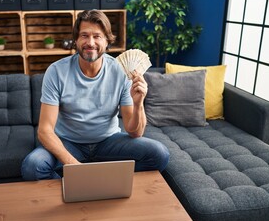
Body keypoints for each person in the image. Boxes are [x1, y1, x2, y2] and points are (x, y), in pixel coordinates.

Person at [21, 10, 169, 181]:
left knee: (159, 154)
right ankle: (80, 187)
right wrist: (75, 166)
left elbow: (135, 133)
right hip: (68, 143)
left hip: (109, 141)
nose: (90, 43)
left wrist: (138, 104)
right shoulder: (56, 71)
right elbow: (45, 131)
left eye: (97, 36)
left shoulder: (122, 71)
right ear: (76, 40)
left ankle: (104, 185)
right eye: (84, 35)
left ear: (107, 41)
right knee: (32, 166)